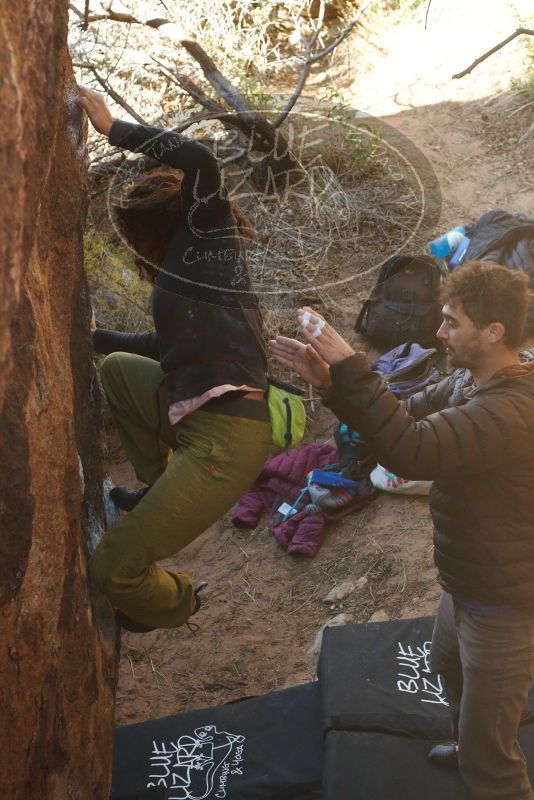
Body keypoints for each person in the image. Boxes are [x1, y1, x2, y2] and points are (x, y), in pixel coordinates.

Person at [271, 261, 534, 800]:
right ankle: (467, 745)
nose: (438, 333)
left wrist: (351, 364)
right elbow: (401, 415)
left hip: (507, 605)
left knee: (494, 758)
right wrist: (332, 382)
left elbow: (410, 450)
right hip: (469, 583)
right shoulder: (472, 379)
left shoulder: (511, 411)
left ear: (493, 333)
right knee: (446, 666)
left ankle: (485, 766)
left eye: (450, 322)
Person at [75, 88, 271, 632]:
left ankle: (180, 601)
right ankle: (155, 484)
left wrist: (113, 129)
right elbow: (169, 350)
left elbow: (201, 159)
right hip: (194, 416)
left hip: (226, 441)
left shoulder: (209, 233)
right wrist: (99, 339)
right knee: (117, 370)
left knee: (115, 568)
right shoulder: (183, 271)